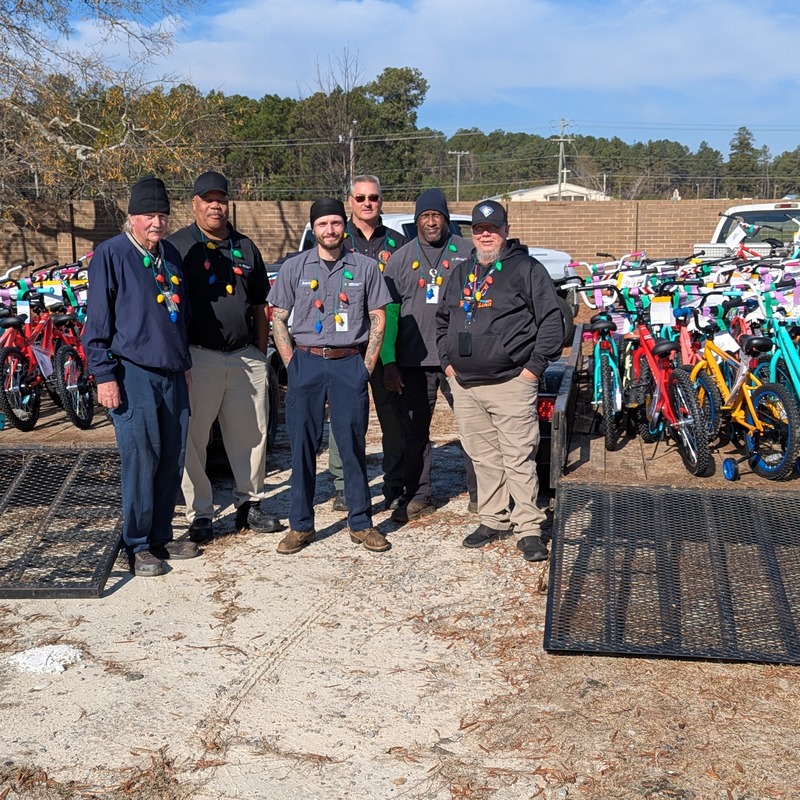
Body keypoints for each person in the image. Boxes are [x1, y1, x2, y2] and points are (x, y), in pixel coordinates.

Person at [435, 200, 564, 563]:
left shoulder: (527, 269)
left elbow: (552, 321)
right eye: (479, 229)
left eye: (493, 228)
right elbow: (442, 319)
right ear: (472, 233)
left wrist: (533, 369)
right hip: (466, 384)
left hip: (512, 382)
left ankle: (528, 528)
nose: (486, 234)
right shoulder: (461, 272)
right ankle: (494, 518)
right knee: (483, 457)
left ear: (506, 230)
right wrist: (447, 363)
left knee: (518, 457)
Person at [83, 174, 198, 577]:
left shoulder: (170, 254)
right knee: (141, 458)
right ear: (132, 217)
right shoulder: (112, 254)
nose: (156, 222)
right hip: (132, 373)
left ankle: (161, 536)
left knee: (171, 457)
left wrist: (184, 365)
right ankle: (136, 545)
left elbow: (181, 317)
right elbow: (97, 322)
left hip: (172, 373)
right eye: (148, 214)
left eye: (162, 215)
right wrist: (104, 375)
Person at [269, 198, 392, 555]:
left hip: (348, 363)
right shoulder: (295, 267)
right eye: (323, 224)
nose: (330, 230)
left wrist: (365, 368)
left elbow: (378, 318)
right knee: (302, 447)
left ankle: (361, 523)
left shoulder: (366, 268)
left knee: (352, 445)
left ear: (344, 226)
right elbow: (278, 317)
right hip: (305, 363)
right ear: (314, 228)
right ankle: (300, 525)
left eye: (336, 223)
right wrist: (291, 363)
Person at [168, 171, 284, 542]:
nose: (215, 206)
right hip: (198, 357)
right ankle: (200, 513)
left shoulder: (245, 246)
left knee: (252, 436)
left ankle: (249, 505)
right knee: (193, 439)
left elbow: (260, 304)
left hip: (245, 357)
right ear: (195, 204)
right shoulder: (178, 247)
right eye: (208, 200)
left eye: (221, 199)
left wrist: (260, 353)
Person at [381, 188, 478, 524]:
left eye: (437, 215)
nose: (432, 221)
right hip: (413, 362)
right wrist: (389, 361)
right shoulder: (399, 259)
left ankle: (482, 494)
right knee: (414, 432)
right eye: (425, 216)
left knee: (474, 428)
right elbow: (389, 314)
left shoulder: (468, 252)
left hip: (459, 360)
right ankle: (418, 496)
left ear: (446, 219)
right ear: (417, 220)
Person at [327, 175, 407, 513]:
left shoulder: (398, 242)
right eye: (360, 198)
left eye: (373, 197)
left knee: (393, 416)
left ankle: (395, 482)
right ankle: (344, 484)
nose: (367, 203)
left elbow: (402, 298)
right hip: (346, 343)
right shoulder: (335, 238)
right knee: (344, 416)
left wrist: (392, 355)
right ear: (350, 201)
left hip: (386, 344)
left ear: (381, 200)